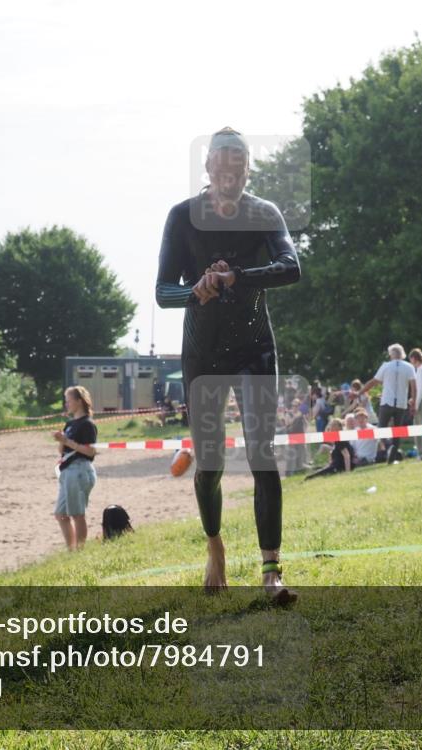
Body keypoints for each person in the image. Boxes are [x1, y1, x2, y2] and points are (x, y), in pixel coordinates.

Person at [155, 127, 301, 603]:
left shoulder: (264, 213)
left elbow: (291, 267)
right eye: (222, 168)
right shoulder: (182, 217)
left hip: (254, 347)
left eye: (238, 169)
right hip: (204, 352)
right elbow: (162, 292)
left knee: (263, 454)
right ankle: (215, 545)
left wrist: (239, 277)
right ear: (209, 170)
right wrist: (194, 289)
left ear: (247, 172)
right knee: (211, 463)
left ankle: (271, 570)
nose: (229, 176)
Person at [52, 386, 98, 551]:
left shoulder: (87, 424)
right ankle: (72, 549)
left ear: (79, 401)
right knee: (61, 514)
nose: (66, 404)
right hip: (68, 471)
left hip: (80, 470)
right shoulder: (70, 423)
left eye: (69, 400)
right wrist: (61, 439)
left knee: (77, 514)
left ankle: (80, 550)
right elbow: (62, 450)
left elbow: (90, 452)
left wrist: (67, 441)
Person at [362, 344, 416, 460]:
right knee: (397, 431)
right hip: (401, 403)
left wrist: (361, 391)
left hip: (387, 402)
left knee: (382, 428)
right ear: (402, 355)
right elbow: (414, 386)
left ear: (391, 355)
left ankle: (388, 446)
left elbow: (374, 382)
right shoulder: (409, 367)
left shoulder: (386, 366)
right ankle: (392, 456)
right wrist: (414, 402)